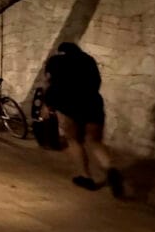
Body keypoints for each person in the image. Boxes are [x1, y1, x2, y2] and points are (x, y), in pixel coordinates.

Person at [43, 41, 123, 197]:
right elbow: (97, 82)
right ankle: (111, 169)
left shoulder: (55, 61)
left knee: (74, 140)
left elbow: (49, 82)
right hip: (92, 104)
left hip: (68, 105)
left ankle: (85, 177)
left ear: (61, 51)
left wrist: (48, 104)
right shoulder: (89, 60)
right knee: (94, 141)